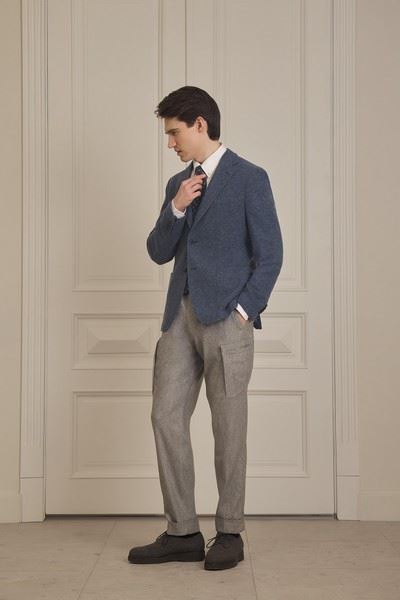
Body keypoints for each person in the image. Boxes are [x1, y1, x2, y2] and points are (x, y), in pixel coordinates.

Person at [128, 86, 283, 570]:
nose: (170, 143)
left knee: (228, 426)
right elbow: (158, 251)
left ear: (200, 124)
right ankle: (182, 532)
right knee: (165, 417)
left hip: (227, 321)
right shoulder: (178, 182)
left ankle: (230, 532)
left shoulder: (250, 178)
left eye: (174, 133)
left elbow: (271, 255)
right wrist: (175, 207)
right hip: (180, 317)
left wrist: (244, 311)